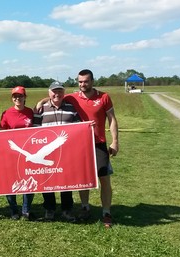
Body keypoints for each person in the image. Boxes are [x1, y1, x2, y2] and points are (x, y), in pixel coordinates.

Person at [64, 69, 119, 228]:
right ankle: (85, 207)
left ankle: (106, 212)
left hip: (99, 144)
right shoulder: (72, 97)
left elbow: (112, 119)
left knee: (104, 179)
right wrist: (41, 102)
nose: (82, 84)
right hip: (80, 146)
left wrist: (115, 142)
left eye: (86, 81)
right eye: (80, 82)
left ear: (92, 81)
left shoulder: (104, 97)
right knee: (83, 180)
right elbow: (55, 96)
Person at [33, 81, 80, 222]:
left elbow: (79, 128)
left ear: (63, 93)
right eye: (54, 91)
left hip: (66, 153)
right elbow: (34, 131)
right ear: (49, 93)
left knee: (66, 182)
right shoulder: (41, 109)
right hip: (47, 153)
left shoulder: (72, 109)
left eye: (60, 91)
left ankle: (67, 210)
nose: (57, 94)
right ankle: (49, 209)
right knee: (47, 181)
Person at [0, 86, 35, 220]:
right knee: (10, 181)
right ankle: (13, 210)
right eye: (15, 96)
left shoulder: (30, 112)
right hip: (12, 153)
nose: (17, 98)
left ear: (25, 97)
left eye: (20, 96)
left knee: (30, 180)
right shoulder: (6, 113)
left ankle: (26, 210)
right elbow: (1, 133)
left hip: (28, 154)